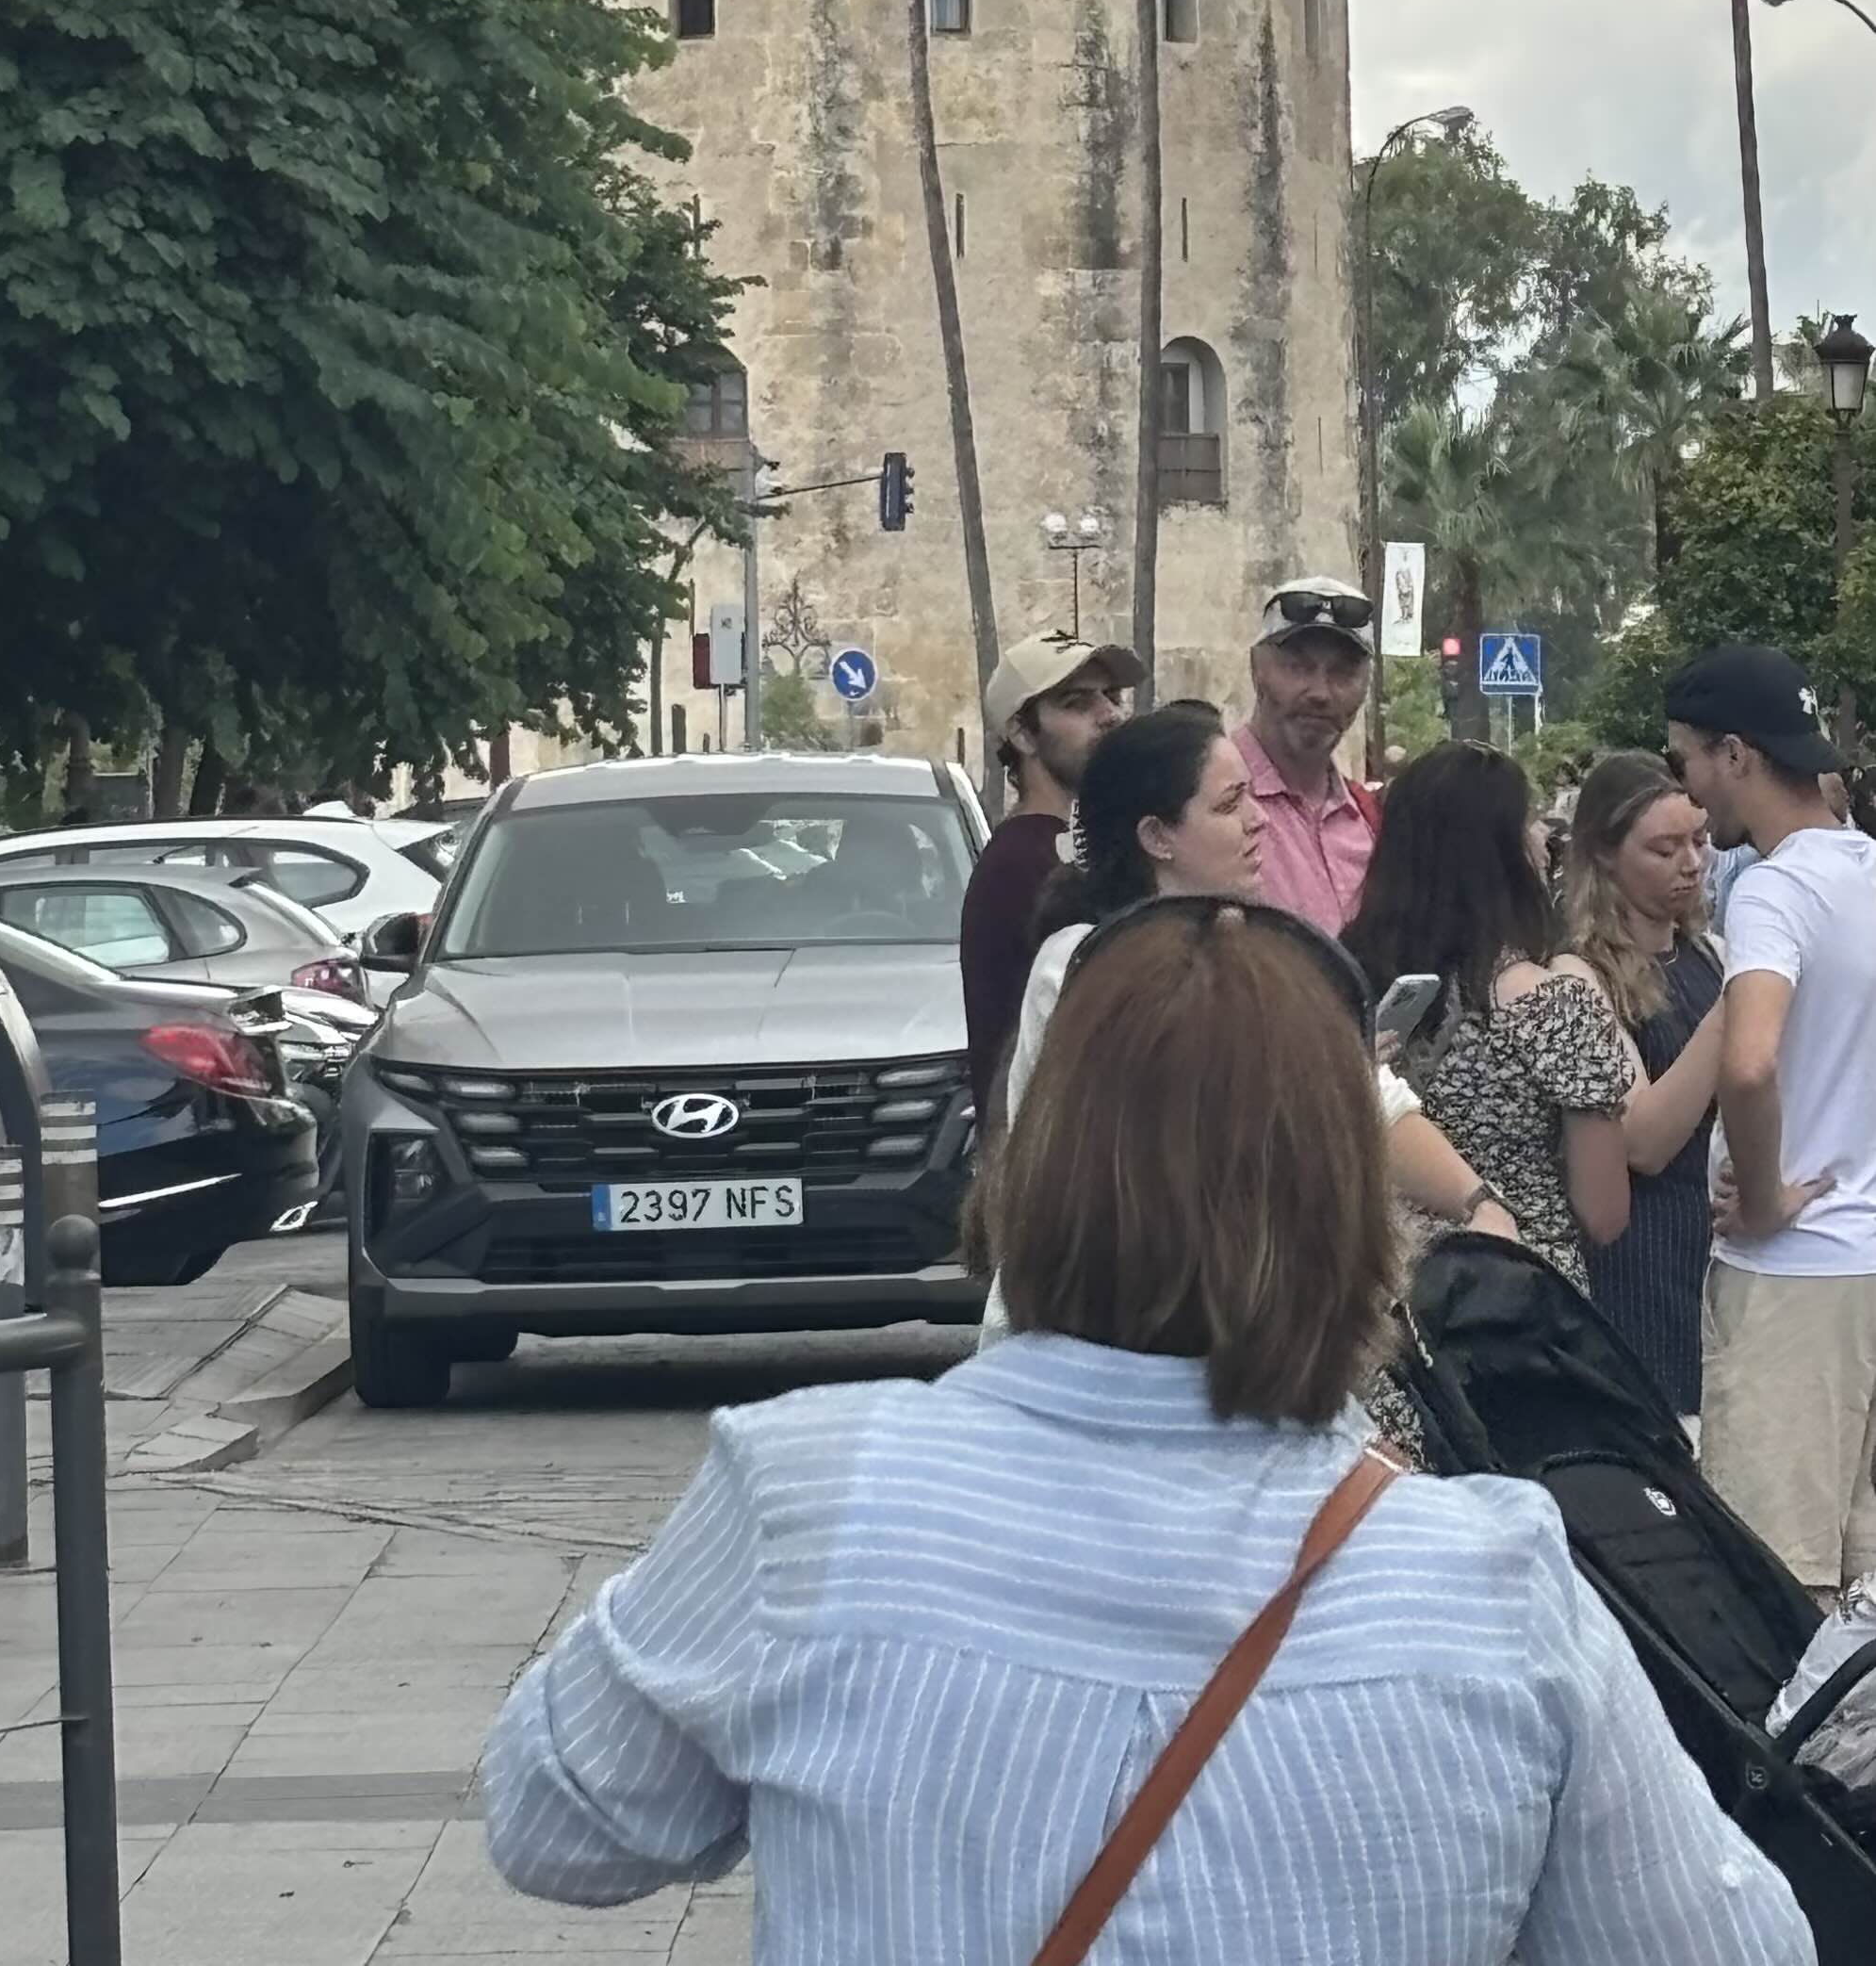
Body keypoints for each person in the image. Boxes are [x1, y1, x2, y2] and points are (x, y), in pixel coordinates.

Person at [484, 902, 1811, 1963]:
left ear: (1037, 1166)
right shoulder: (1491, 1586)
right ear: (1348, 1208)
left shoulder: (808, 1498)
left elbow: (556, 1823)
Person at [986, 713, 1518, 1335]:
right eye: (1228, 804)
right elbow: (1176, 1127)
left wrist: (1481, 1205)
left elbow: (1377, 1100)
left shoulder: (1269, 949)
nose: (1257, 820)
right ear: (1157, 836)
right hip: (1097, 1326)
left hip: (1233, 1331)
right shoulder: (1081, 964)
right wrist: (1318, 1083)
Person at [1665, 640, 1876, 1602]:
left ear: (1735, 755)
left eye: (1686, 759)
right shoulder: (1867, 869)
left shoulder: (1774, 889)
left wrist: (1761, 1199)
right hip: (1866, 1257)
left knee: (1776, 1584)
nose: (1688, 788)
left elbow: (1747, 1063)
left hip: (1795, 1276)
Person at [1346, 741, 1632, 1284]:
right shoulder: (1554, 1004)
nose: (1543, 838)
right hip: (1520, 1288)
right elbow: (1605, 1213)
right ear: (1501, 850)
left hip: (1388, 1284)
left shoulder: (1350, 986)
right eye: (1528, 820)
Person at [1558, 752, 1723, 1420]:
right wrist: (1738, 1004)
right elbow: (1643, 1141)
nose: (1691, 863)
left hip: (1719, 1246)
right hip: (1646, 1258)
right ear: (1604, 854)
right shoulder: (1580, 975)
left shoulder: (1706, 955)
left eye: (1699, 842)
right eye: (1664, 848)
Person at [958, 627, 1136, 1122]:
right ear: (1021, 732)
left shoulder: (1070, 847)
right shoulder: (1020, 866)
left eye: (1112, 695)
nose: (1110, 715)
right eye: (1077, 703)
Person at [1234, 575, 1379, 930]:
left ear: (1367, 685)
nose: (1320, 693)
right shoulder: (1208, 806)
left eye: (1343, 673)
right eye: (1298, 668)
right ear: (1257, 669)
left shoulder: (1369, 820)